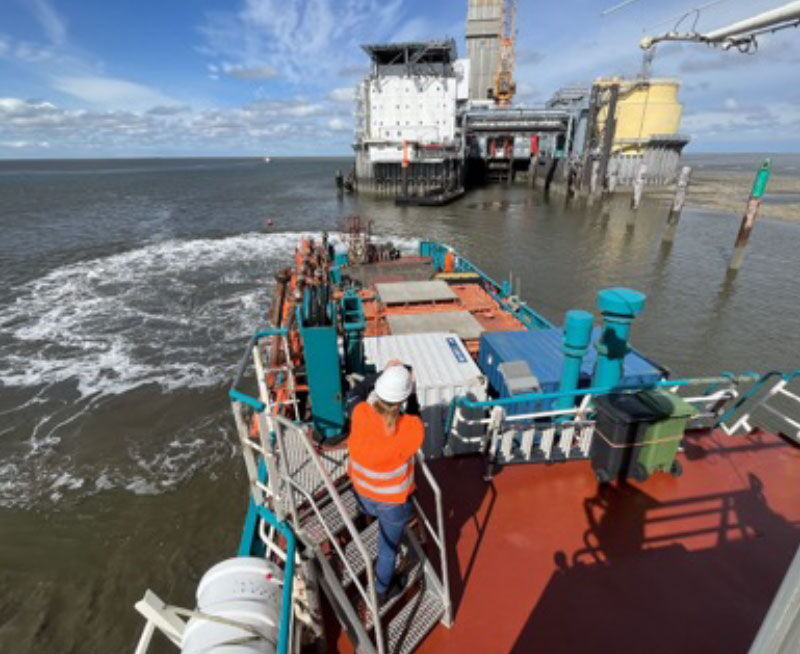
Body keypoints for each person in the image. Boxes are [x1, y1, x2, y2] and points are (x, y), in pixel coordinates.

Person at [346, 362, 424, 604]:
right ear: (403, 399)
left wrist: (383, 374)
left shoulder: (360, 413)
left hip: (363, 496)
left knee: (370, 512)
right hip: (393, 505)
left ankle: (364, 516)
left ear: (379, 391)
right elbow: (414, 413)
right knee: (387, 550)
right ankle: (381, 592)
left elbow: (355, 392)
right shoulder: (412, 428)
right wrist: (411, 390)